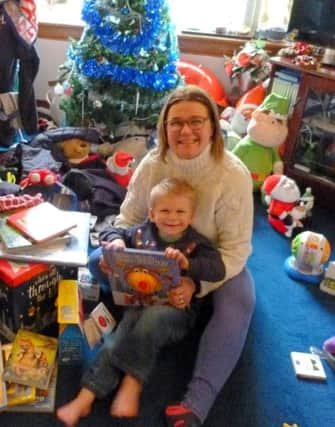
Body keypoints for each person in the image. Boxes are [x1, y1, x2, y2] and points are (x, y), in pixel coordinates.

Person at [87, 84, 255, 427]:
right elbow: (127, 219)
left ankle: (197, 402)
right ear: (164, 127)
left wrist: (195, 284)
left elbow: (236, 250)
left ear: (212, 125)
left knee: (240, 302)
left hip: (208, 262)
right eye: (176, 122)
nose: (186, 130)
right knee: (94, 261)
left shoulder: (232, 174)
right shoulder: (152, 164)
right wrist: (117, 249)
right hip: (151, 251)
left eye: (196, 121)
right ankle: (154, 313)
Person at [57, 177, 226, 426]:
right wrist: (115, 242)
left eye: (180, 212)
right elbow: (112, 229)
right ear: (152, 214)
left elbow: (218, 269)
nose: (172, 217)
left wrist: (188, 264)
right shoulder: (140, 232)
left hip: (176, 310)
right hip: (137, 302)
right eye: (165, 210)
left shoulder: (196, 242)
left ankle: (132, 381)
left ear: (191, 216)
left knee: (148, 322)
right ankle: (86, 395)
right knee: (118, 336)